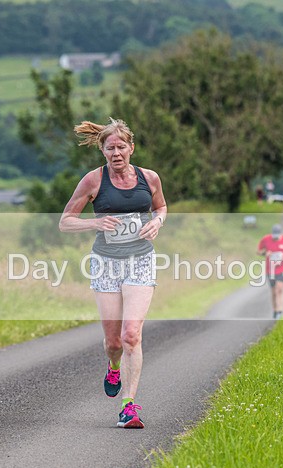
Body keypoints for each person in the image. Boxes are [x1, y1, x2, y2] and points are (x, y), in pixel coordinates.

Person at [59, 118, 167, 429]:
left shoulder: (150, 178)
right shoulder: (93, 181)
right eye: (110, 148)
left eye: (121, 147)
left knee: (131, 334)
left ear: (131, 148)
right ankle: (113, 365)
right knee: (114, 342)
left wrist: (157, 222)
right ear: (103, 151)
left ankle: (128, 406)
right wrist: (95, 223)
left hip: (141, 261)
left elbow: (161, 208)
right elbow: (65, 221)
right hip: (106, 263)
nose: (116, 153)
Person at [257, 223, 283, 320]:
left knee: (279, 289)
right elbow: (258, 251)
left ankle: (280, 310)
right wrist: (265, 253)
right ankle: (275, 310)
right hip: (270, 269)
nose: (276, 238)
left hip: (281, 268)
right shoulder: (266, 239)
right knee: (274, 292)